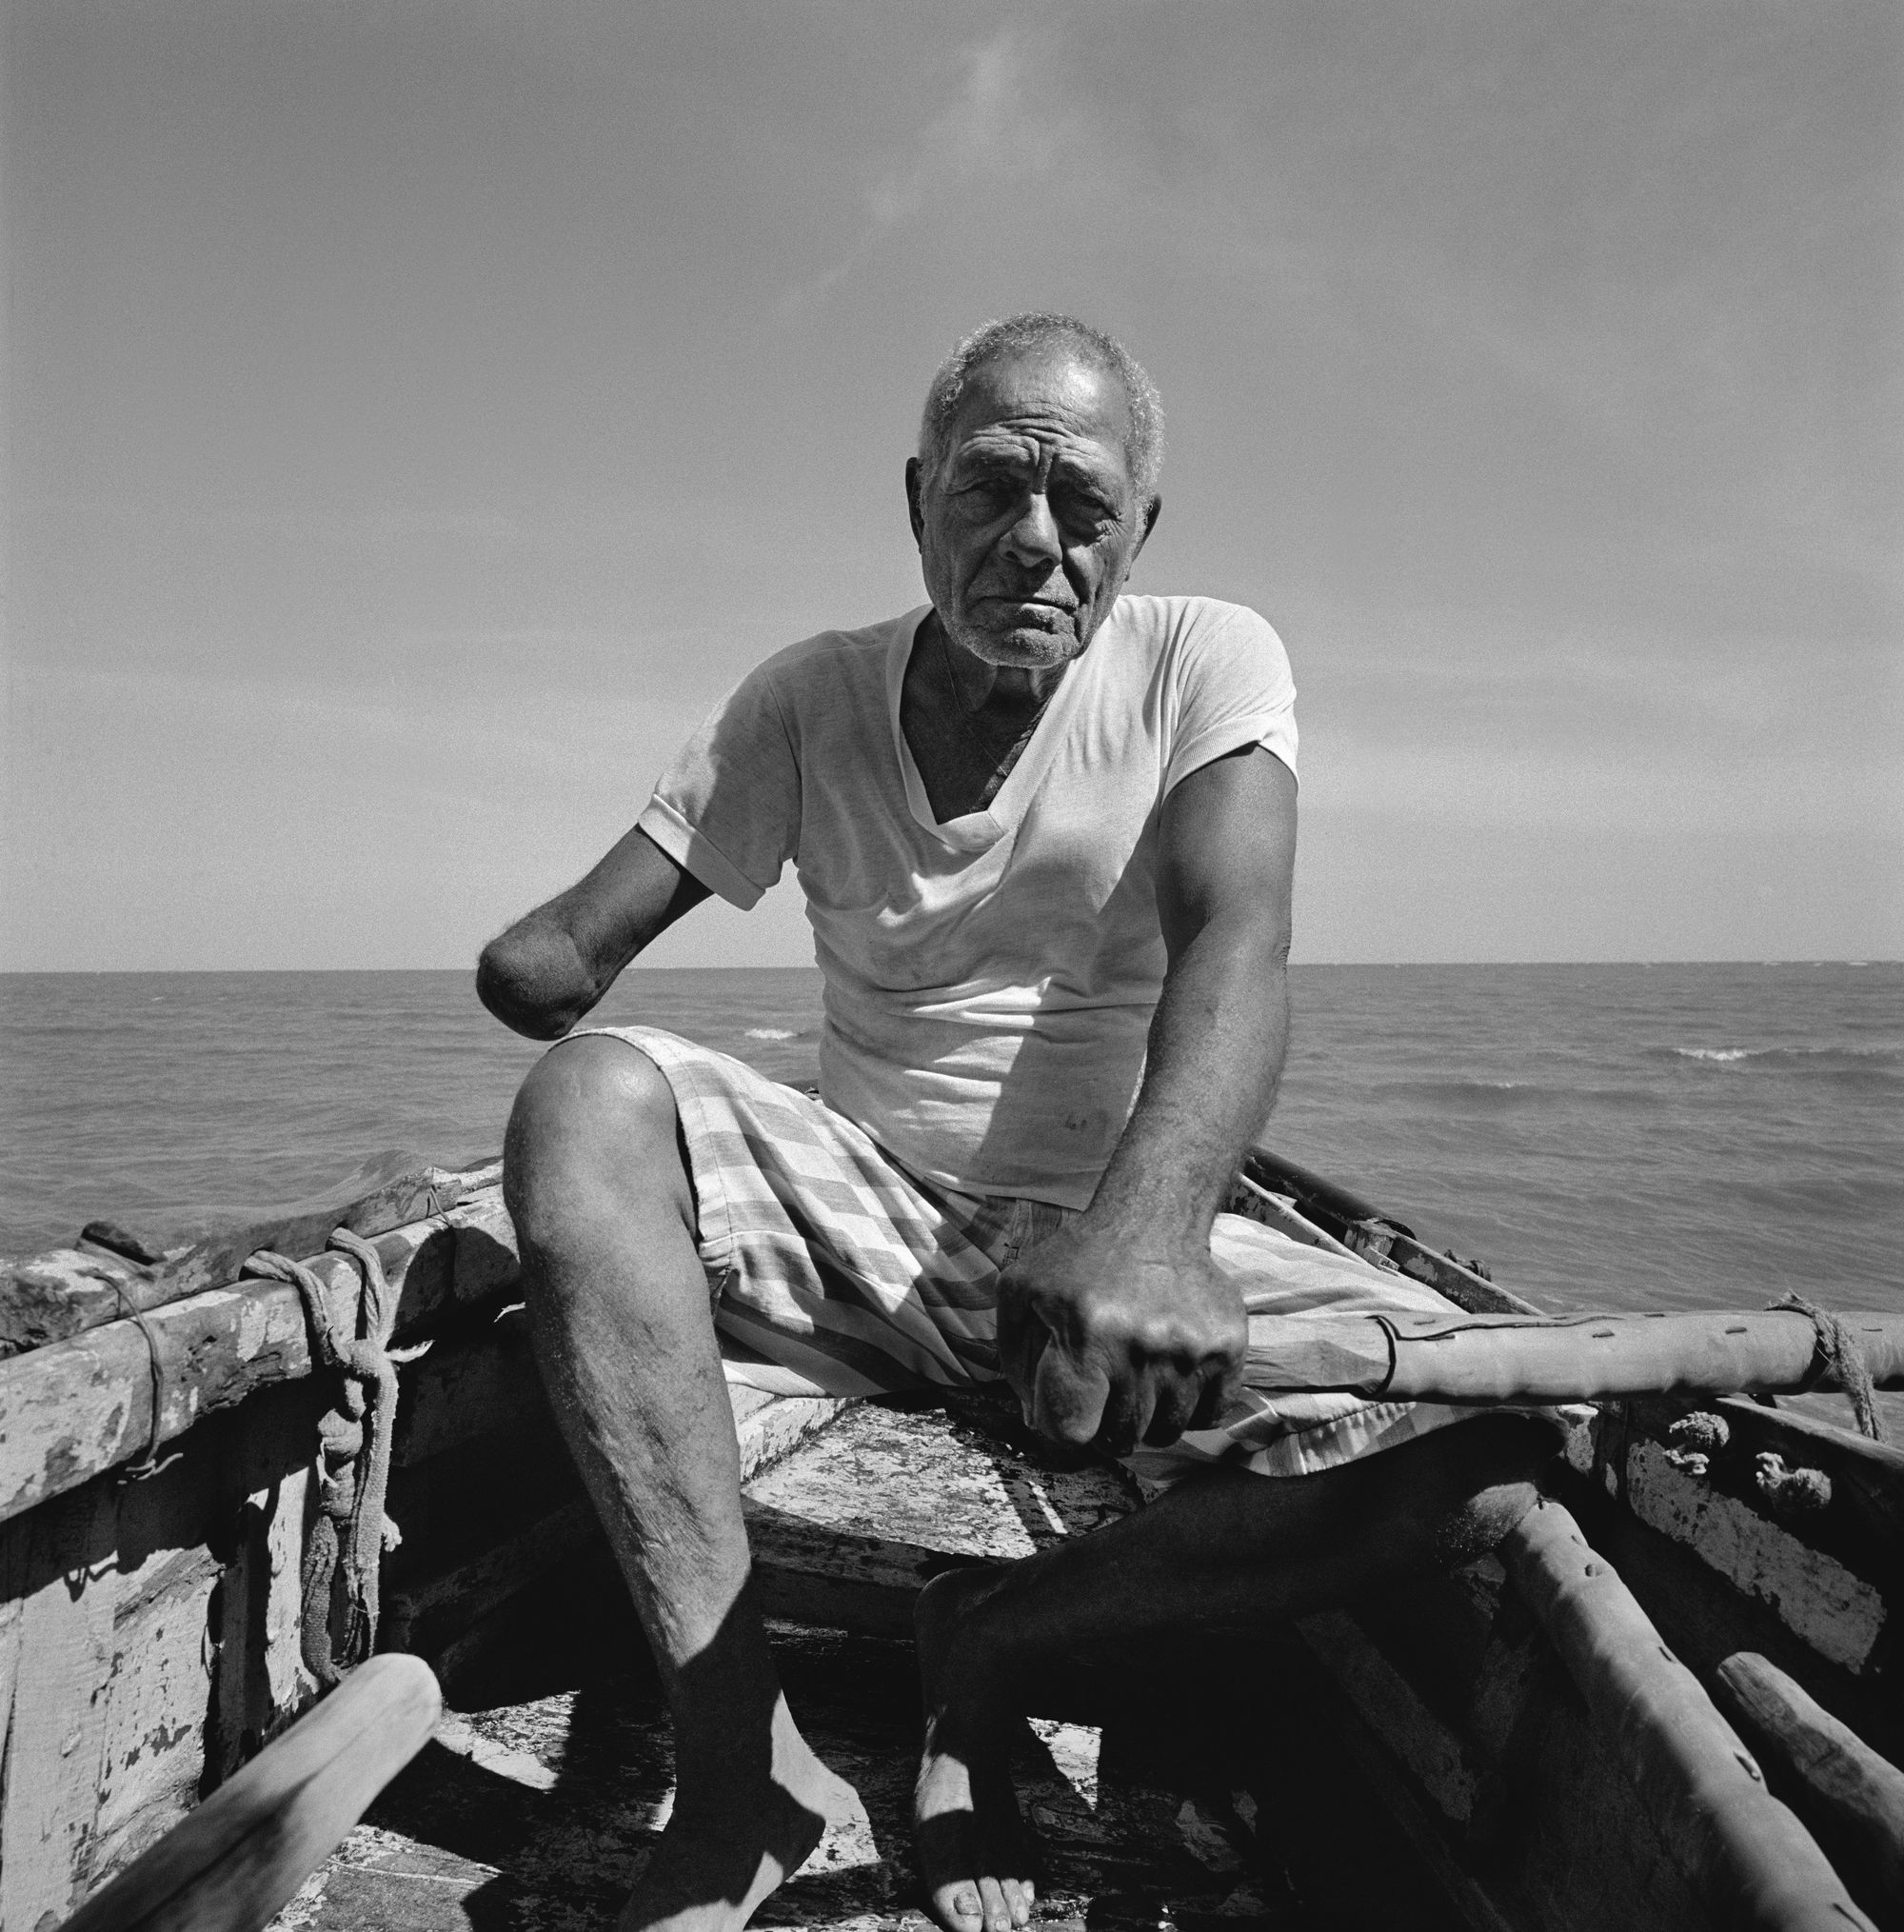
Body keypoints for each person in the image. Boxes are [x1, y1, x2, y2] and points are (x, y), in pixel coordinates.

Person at [478, 312, 1556, 1932]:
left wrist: (1152, 1224)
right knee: (580, 1105)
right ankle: (738, 1767)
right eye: (991, 490)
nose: (1035, 541)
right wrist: (537, 967)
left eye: (1084, 506)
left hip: (1109, 1245)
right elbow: (566, 966)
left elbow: (1238, 944)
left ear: (1141, 534)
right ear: (917, 498)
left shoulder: (1208, 658)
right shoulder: (804, 698)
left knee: (1488, 1451)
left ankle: (992, 1644)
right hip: (858, 1230)